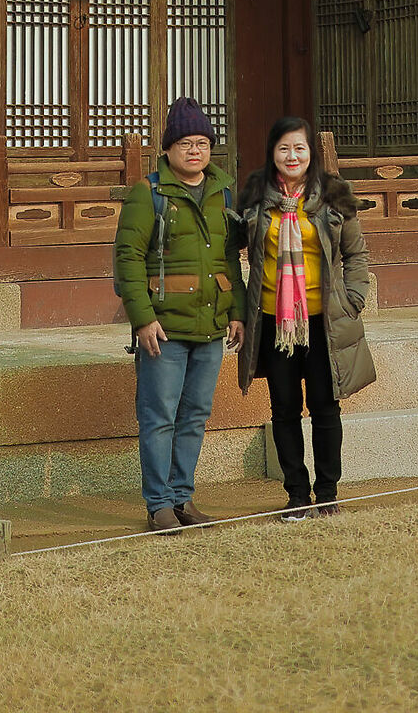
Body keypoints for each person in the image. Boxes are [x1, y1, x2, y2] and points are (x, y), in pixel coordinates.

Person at [233, 115, 376, 520]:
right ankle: (296, 495)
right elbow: (232, 248)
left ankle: (327, 493)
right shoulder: (255, 197)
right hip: (275, 321)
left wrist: (353, 300)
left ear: (311, 152)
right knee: (283, 408)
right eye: (283, 148)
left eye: (299, 147)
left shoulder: (333, 196)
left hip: (323, 321)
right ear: (272, 153)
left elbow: (356, 254)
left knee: (326, 408)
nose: (291, 156)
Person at [114, 96, 244, 533]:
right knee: (159, 416)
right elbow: (128, 259)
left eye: (202, 142)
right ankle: (159, 505)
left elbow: (230, 258)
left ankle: (182, 497)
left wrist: (238, 312)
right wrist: (142, 318)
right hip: (163, 328)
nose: (195, 150)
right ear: (167, 150)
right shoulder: (147, 193)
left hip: (210, 324)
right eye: (185, 142)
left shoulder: (224, 193)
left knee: (194, 415)